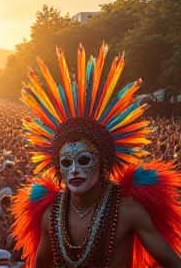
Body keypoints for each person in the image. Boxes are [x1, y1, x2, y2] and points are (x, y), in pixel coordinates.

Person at [11, 44, 181, 267]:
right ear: (57, 168)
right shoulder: (51, 215)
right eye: (66, 163)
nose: (74, 171)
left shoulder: (128, 209)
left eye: (84, 160)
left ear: (103, 163)